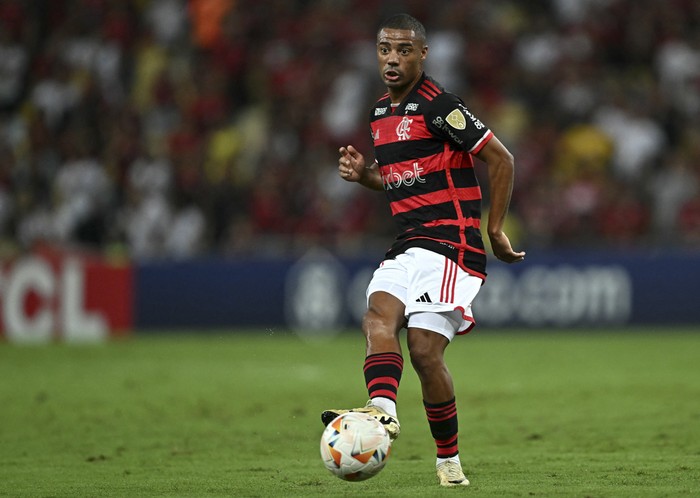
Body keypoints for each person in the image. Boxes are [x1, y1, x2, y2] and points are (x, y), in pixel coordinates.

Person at [320, 13, 526, 487]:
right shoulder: (379, 115)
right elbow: (396, 180)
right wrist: (364, 176)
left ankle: (448, 459)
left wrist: (494, 229)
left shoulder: (441, 107)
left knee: (425, 352)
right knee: (376, 318)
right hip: (408, 244)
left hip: (452, 244)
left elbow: (501, 158)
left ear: (423, 55)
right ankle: (382, 413)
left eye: (404, 50)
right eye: (385, 49)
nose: (393, 59)